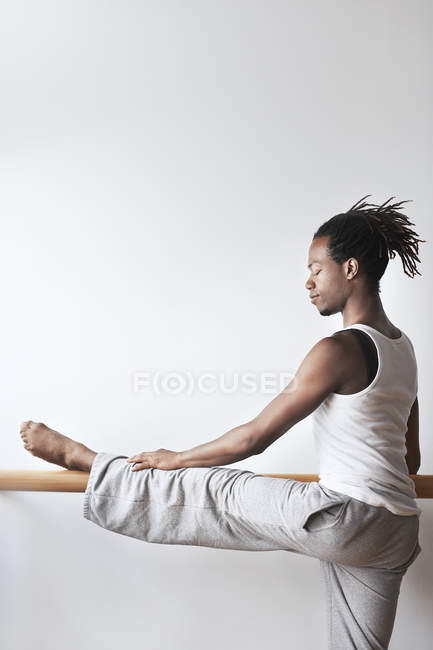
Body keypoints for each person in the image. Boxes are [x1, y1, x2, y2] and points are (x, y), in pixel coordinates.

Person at [19, 194, 426, 649]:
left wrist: (177, 457)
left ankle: (89, 460)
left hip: (348, 519)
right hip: (397, 532)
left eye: (316, 268)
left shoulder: (338, 350)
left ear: (350, 269)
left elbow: (253, 439)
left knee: (213, 489)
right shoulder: (403, 349)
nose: (308, 281)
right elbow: (410, 459)